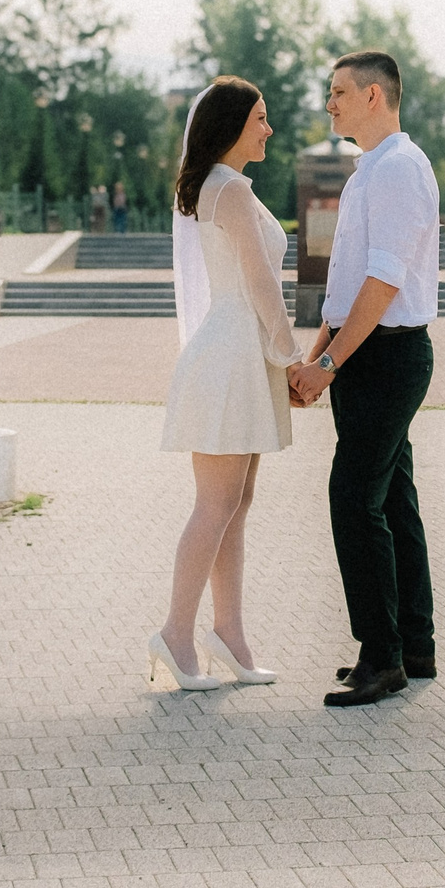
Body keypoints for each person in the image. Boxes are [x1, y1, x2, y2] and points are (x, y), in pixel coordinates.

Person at [289, 50, 443, 708]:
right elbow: (343, 289)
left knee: (353, 500)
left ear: (375, 96)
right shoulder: (368, 173)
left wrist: (327, 364)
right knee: (391, 498)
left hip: (387, 354)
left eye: (340, 92)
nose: (330, 103)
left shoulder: (399, 170)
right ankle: (413, 645)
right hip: (364, 353)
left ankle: (381, 658)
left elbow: (384, 284)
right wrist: (316, 355)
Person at [148, 77, 298, 691]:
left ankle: (229, 634)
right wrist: (293, 359)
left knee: (234, 505)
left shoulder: (223, 186)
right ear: (233, 123)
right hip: (234, 353)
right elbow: (262, 285)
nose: (268, 128)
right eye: (261, 117)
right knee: (216, 505)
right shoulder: (228, 189)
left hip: (240, 351)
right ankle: (176, 634)